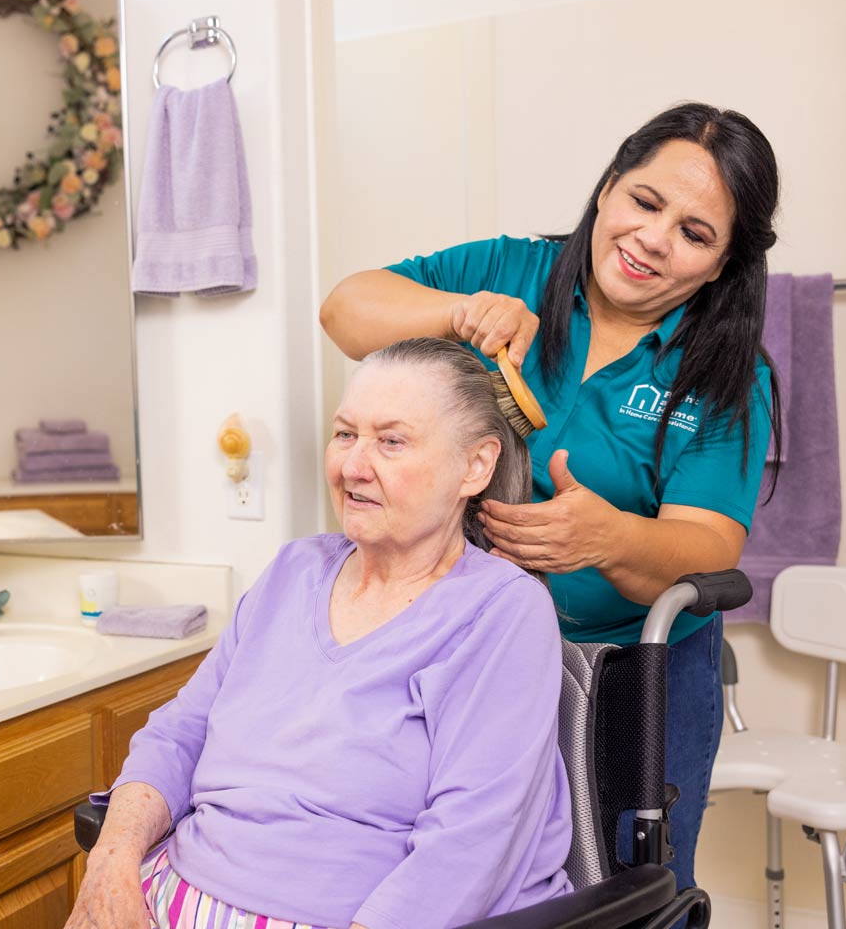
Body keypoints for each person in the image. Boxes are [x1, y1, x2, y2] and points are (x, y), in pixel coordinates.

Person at [320, 102, 782, 898]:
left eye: (695, 233)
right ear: (607, 189)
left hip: (638, 671)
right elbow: (345, 310)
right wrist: (454, 313)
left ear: (720, 265)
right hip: (471, 643)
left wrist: (609, 539)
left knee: (638, 886)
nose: (652, 239)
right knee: (468, 869)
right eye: (645, 201)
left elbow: (709, 548)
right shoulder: (514, 271)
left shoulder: (727, 375)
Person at [65, 337, 572, 929]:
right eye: (345, 433)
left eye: (391, 441)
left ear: (475, 466)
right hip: (170, 893)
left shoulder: (502, 610)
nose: (353, 465)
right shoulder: (292, 570)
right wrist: (112, 860)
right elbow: (181, 734)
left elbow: (474, 840)